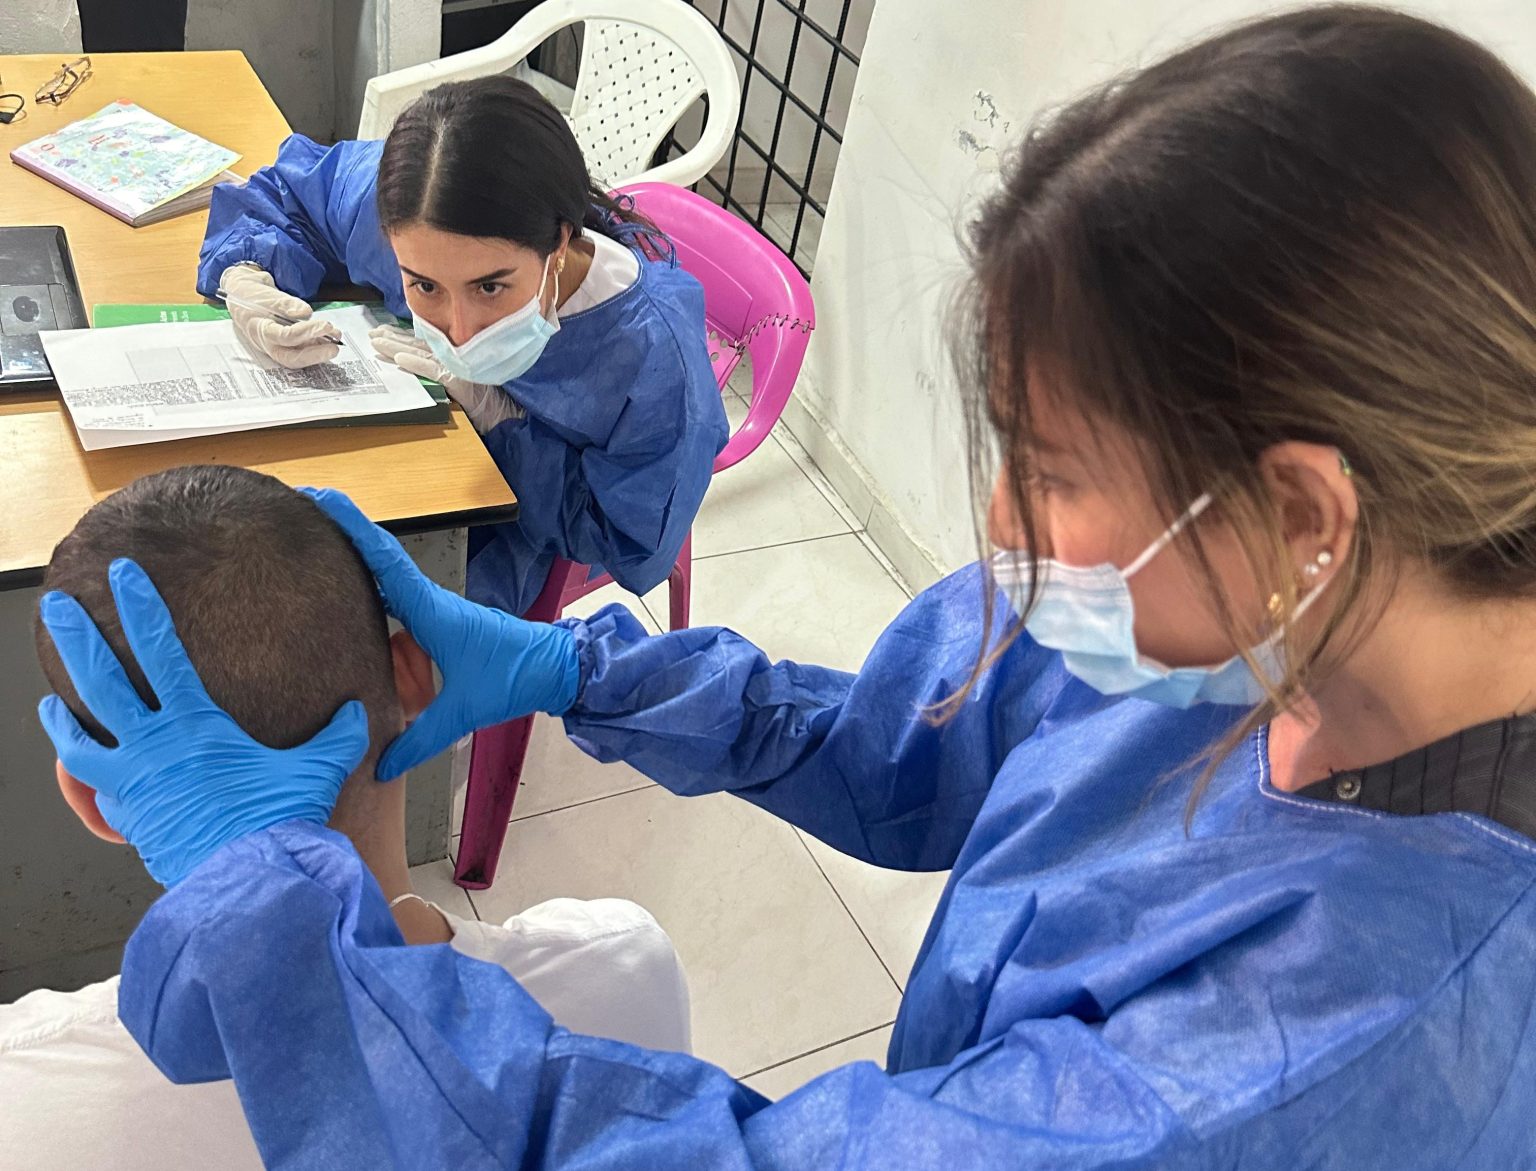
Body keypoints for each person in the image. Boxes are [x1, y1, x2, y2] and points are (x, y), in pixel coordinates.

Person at [35, 7, 1536, 1167]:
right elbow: (902, 745)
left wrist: (271, 910)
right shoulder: (1244, 625)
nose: (1000, 527)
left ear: (1302, 513)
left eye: (1055, 470)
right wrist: (574, 667)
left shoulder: (1327, 1050)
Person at [4, 465, 688, 1171]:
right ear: (413, 679)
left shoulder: (21, 1098)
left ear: (91, 798)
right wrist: (581, 668)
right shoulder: (623, 971)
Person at [198, 75, 727, 616]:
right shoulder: (421, 205)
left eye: (490, 288)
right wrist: (246, 271)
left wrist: (507, 426)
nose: (459, 330)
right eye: (424, 286)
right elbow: (294, 194)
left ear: (559, 243)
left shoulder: (655, 359)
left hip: (505, 535)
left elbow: (630, 537)